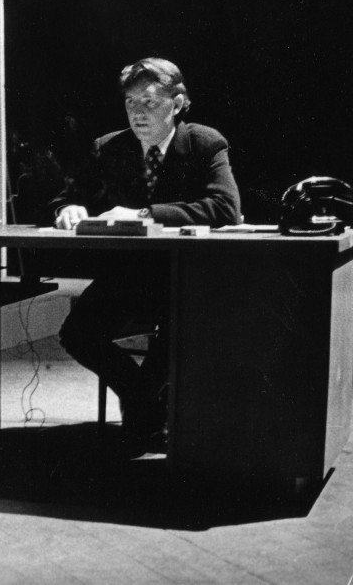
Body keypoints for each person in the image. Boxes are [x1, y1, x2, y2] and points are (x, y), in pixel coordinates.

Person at [50, 57, 242, 450]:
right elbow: (68, 195)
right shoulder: (109, 147)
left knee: (180, 334)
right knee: (77, 334)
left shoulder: (204, 143)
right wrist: (68, 208)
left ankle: (143, 412)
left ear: (178, 103)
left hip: (186, 276)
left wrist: (145, 213)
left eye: (150, 103)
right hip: (129, 277)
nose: (138, 113)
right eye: (130, 103)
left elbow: (226, 208)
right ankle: (146, 405)